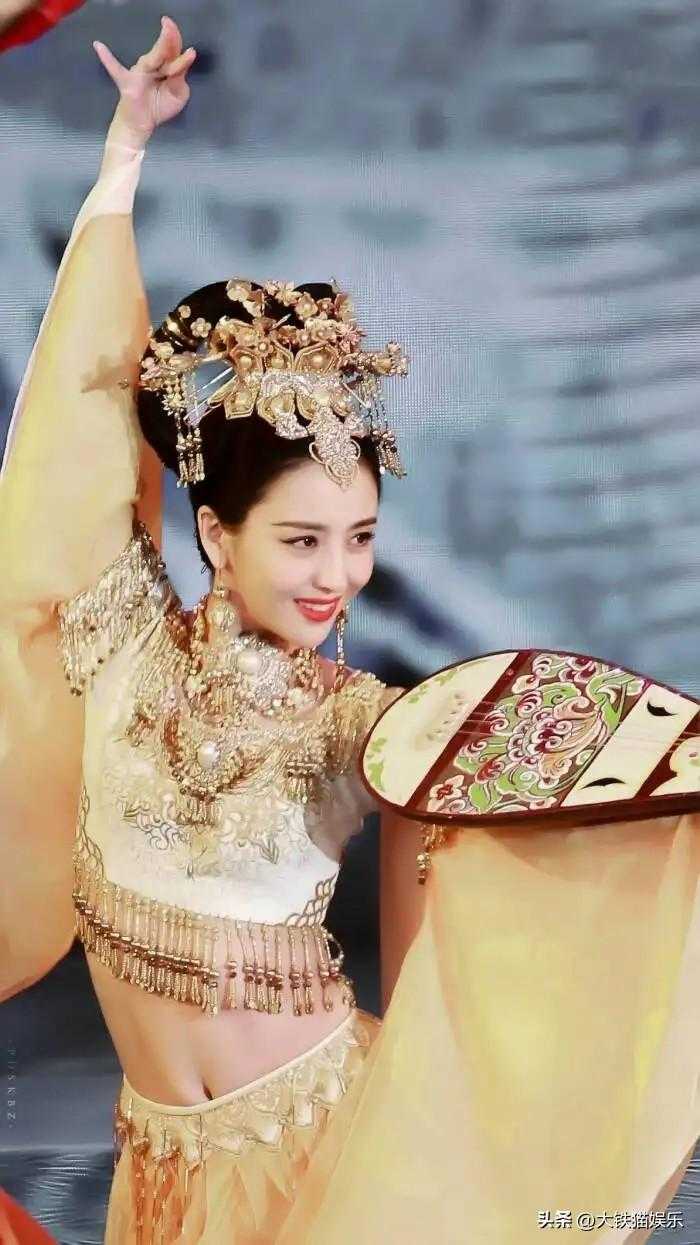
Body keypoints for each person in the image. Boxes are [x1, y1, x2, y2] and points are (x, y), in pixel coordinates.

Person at [0, 16, 420, 1242]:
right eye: (302, 540)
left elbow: (450, 953)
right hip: (160, 1175)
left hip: (328, 1161)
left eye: (359, 537)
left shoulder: (365, 724)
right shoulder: (119, 639)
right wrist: (124, 150)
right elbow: (73, 426)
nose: (337, 575)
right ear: (215, 534)